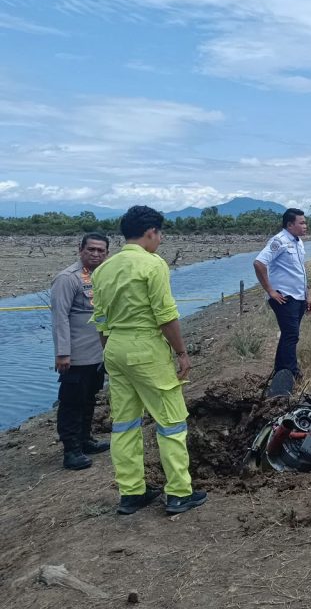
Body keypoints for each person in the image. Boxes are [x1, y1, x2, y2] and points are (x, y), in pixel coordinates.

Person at [91, 206, 206, 516]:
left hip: (115, 347)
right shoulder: (153, 264)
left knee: (124, 423)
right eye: (160, 234)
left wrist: (110, 350)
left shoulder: (103, 269)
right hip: (146, 348)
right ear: (150, 232)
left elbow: (100, 321)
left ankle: (131, 493)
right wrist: (181, 352)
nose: (161, 239)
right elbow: (166, 316)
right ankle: (179, 493)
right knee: (171, 422)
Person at [50, 232, 110, 471]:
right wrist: (62, 353)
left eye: (101, 251)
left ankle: (86, 440)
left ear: (107, 253)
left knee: (89, 399)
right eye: (91, 249)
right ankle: (71, 451)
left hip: (98, 353)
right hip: (75, 355)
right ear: (81, 249)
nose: (96, 254)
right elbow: (60, 318)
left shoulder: (103, 277)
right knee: (72, 402)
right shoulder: (67, 278)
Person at [254, 208, 311, 379]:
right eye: (301, 223)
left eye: (305, 222)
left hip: (299, 295)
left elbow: (300, 271)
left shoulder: (298, 241)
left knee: (290, 335)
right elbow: (259, 263)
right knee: (291, 335)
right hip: (285, 297)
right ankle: (290, 373)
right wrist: (270, 290)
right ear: (289, 224)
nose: (305, 226)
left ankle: (281, 371)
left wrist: (307, 295)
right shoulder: (279, 241)